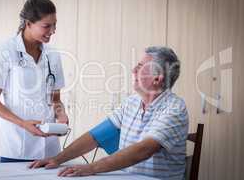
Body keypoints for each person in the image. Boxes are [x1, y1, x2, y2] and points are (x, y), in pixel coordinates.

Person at [28, 46, 189, 180]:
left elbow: (144, 150)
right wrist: (58, 158)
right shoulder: (131, 102)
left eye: (140, 67)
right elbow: (97, 135)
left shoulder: (174, 108)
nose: (133, 70)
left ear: (156, 79)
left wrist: (91, 168)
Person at [0, 0, 68, 163]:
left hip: (49, 148)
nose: (53, 31)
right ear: (28, 23)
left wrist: (61, 115)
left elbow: (55, 98)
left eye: (54, 25)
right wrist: (23, 124)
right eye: (47, 26)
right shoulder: (4, 51)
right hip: (16, 147)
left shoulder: (53, 55)